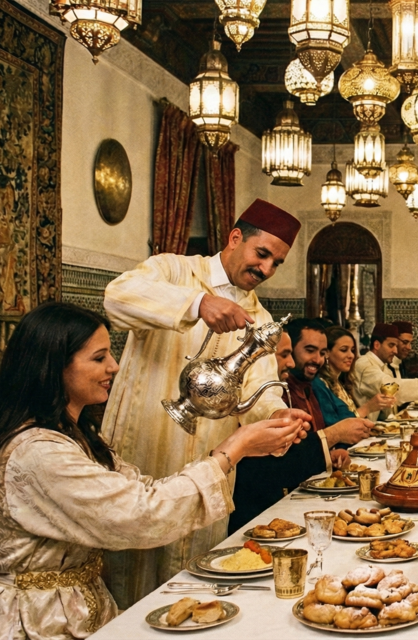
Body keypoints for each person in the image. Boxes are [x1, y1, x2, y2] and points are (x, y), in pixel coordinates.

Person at [0, 303, 304, 638]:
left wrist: (241, 446)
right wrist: (231, 451)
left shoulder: (74, 434)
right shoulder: (38, 452)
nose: (114, 366)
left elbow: (143, 490)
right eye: (99, 358)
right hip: (38, 621)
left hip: (81, 608)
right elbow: (138, 513)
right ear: (54, 364)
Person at [99, 199, 312, 607]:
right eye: (261, 254)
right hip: (142, 454)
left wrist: (279, 417)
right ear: (235, 238)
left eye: (276, 264)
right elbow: (116, 298)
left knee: (195, 595)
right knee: (129, 579)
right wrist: (198, 304)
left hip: (209, 473)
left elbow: (262, 390)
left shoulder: (260, 318)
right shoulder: (174, 270)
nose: (266, 269)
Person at [229, 320, 365, 535]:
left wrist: (330, 453)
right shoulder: (266, 395)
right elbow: (275, 465)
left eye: (322, 352)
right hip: (262, 516)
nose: (318, 360)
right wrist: (333, 436)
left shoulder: (309, 386)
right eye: (309, 351)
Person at [353, 323, 418, 420]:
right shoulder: (364, 364)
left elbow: (395, 398)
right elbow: (388, 386)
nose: (395, 351)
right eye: (391, 345)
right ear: (377, 345)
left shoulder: (383, 366)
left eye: (396, 345)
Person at [317, 325, 398, 422]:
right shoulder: (320, 384)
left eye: (352, 350)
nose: (351, 355)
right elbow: (335, 425)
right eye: (343, 350)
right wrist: (368, 407)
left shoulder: (339, 382)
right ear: (326, 353)